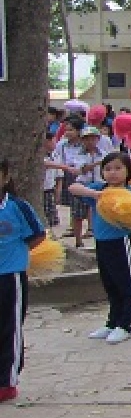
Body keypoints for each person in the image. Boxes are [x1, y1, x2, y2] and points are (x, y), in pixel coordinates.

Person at [67, 152, 131, 344]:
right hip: (101, 243)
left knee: (127, 283)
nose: (113, 173)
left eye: (118, 168)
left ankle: (127, 323)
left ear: (128, 171)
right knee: (110, 283)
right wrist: (95, 194)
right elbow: (73, 187)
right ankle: (112, 321)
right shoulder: (99, 189)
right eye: (108, 169)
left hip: (122, 242)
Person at [0, 157, 48, 402]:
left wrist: (17, 255)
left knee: (10, 326)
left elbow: (38, 235)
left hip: (11, 276)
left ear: (5, 177)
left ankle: (7, 381)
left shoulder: (17, 207)